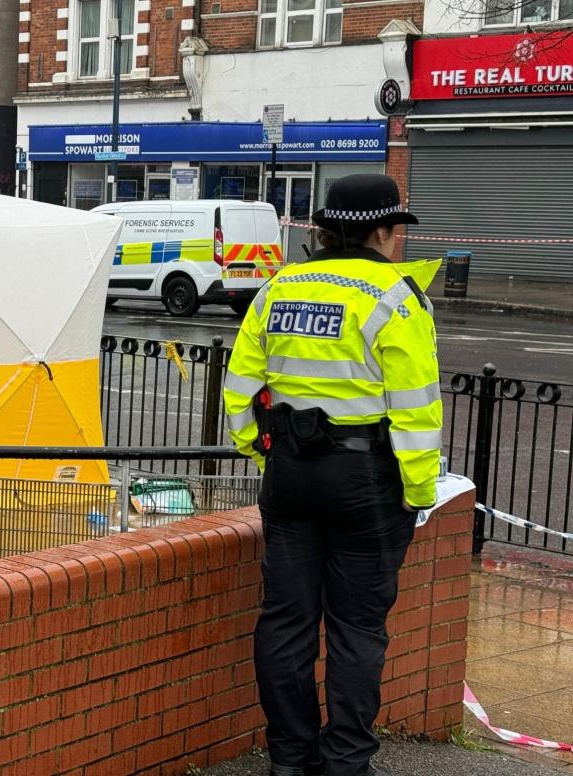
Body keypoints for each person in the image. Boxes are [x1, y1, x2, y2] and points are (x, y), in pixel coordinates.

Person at [223, 174, 442, 776]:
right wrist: (419, 492)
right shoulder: (397, 297)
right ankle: (346, 761)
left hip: (290, 476)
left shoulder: (280, 285)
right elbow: (416, 407)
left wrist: (262, 451)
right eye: (397, 230)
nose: (399, 241)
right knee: (356, 628)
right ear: (380, 231)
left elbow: (239, 386)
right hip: (366, 482)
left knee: (286, 620)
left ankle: (290, 760)